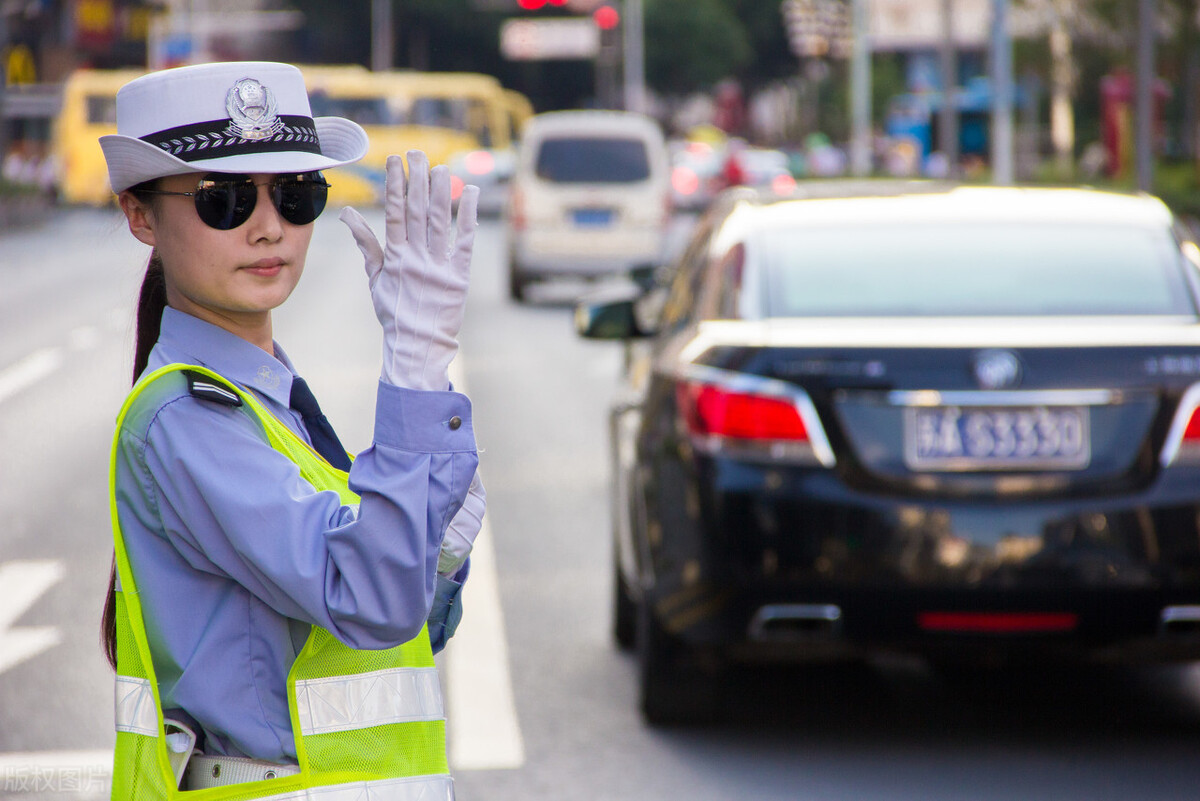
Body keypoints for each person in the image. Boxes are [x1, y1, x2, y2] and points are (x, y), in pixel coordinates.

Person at [98, 60, 486, 798]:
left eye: (296, 194)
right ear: (140, 215)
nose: (269, 226)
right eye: (225, 199)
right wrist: (412, 374)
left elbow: (391, 636)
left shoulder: (265, 401)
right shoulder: (187, 415)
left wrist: (435, 555)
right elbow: (367, 599)